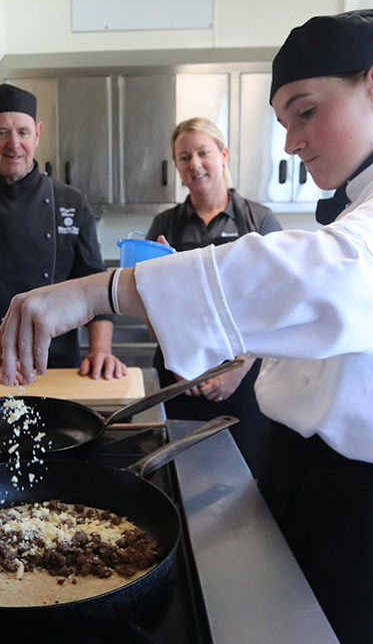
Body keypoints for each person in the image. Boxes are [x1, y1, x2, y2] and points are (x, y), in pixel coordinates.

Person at [0, 9, 373, 644]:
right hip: (303, 474)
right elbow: (309, 325)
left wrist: (102, 291)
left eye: (305, 111)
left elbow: (343, 282)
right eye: (284, 121)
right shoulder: (372, 191)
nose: (291, 142)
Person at [0, 83, 125, 383]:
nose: (13, 144)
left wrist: (100, 350)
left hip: (57, 370)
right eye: (1, 132)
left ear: (38, 133)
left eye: (23, 132)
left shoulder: (71, 202)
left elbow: (96, 284)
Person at [146, 116, 281, 476]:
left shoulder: (260, 221)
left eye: (203, 152)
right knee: (183, 475)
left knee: (245, 479)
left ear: (222, 154)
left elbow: (276, 306)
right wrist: (179, 365)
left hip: (244, 376)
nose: (195, 164)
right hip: (179, 379)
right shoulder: (164, 226)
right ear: (176, 166)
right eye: (184, 157)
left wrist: (237, 370)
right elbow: (151, 302)